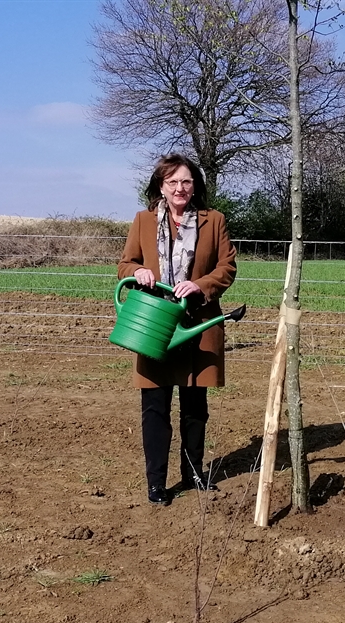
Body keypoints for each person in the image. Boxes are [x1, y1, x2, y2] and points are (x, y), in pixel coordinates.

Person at [118, 153, 237, 506]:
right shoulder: (141, 221)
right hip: (154, 326)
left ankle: (194, 473)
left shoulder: (213, 221)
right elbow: (126, 262)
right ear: (161, 186)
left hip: (197, 325)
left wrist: (200, 285)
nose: (180, 188)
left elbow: (227, 267)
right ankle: (156, 483)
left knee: (195, 406)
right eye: (172, 182)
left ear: (195, 185)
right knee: (155, 406)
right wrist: (137, 271)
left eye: (186, 181)